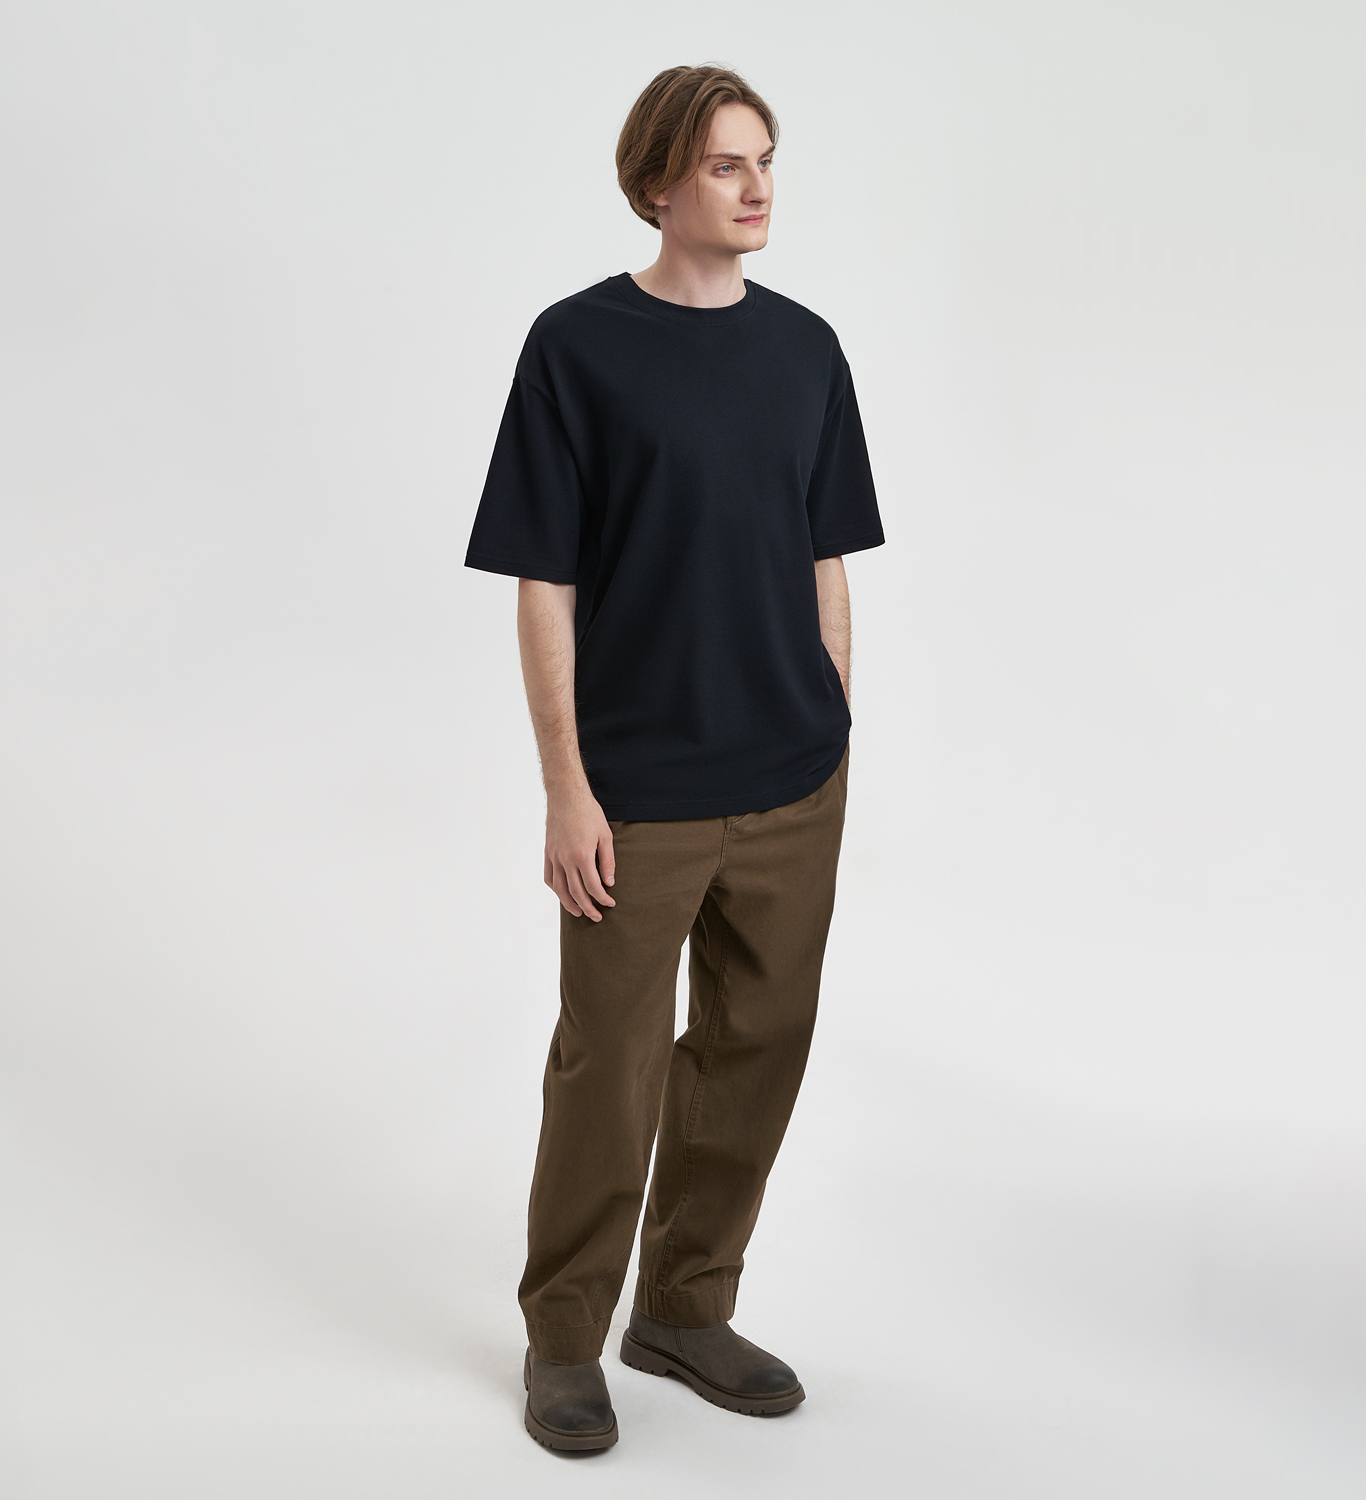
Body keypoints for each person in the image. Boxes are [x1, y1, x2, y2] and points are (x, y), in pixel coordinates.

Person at [464, 63, 885, 1452]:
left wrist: (832, 717)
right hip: (637, 794)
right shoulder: (576, 348)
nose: (758, 188)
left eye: (766, 161)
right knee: (613, 1069)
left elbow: (826, 558)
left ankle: (686, 1309)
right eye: (724, 165)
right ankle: (563, 1341)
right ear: (657, 184)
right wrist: (566, 787)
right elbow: (541, 579)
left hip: (793, 780)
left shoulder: (808, 350)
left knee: (758, 1049)